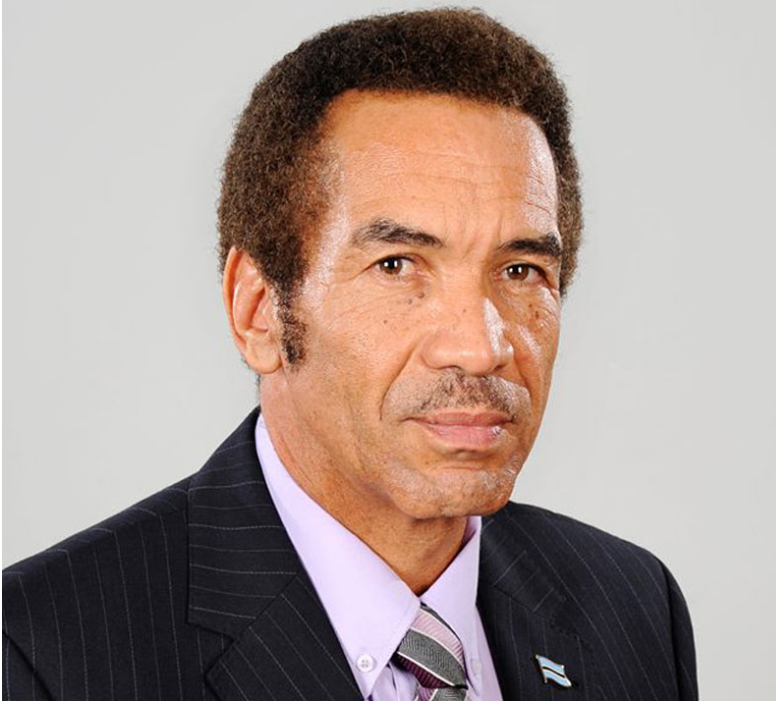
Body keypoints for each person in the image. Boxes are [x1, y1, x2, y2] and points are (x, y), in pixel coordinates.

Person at [2, 8, 698, 701]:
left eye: (520, 271)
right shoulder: (46, 651)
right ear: (259, 311)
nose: (482, 346)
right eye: (397, 265)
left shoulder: (634, 608)